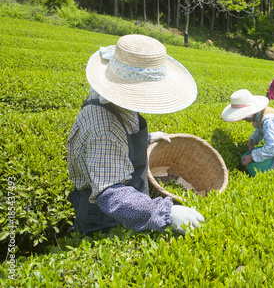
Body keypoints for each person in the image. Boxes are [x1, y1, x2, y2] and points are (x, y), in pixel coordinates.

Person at [67, 34, 204, 236]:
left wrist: (147, 139)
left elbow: (117, 141)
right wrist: (166, 212)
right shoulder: (105, 130)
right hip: (106, 217)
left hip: (129, 197)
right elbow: (111, 194)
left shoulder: (107, 97)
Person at [221, 89, 274, 171]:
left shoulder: (268, 121)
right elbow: (260, 129)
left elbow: (273, 147)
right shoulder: (260, 114)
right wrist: (253, 140)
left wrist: (252, 156)